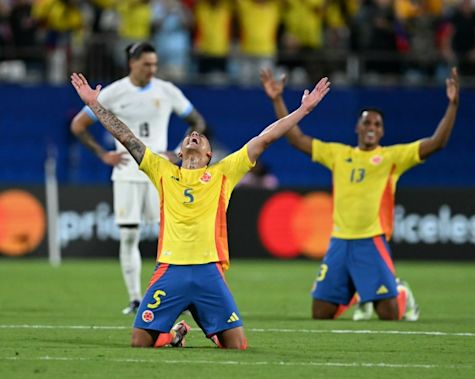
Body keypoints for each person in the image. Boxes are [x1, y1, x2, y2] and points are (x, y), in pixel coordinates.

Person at [70, 72, 330, 348]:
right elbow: (125, 136)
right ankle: (174, 333)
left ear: (209, 154)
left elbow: (265, 138)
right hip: (170, 269)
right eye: (190, 136)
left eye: (201, 137)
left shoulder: (224, 173)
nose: (194, 135)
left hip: (209, 272)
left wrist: (303, 110)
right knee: (139, 342)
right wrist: (95, 105)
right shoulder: (161, 170)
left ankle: (209, 325)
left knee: (237, 347)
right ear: (180, 152)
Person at [260, 67, 459, 321]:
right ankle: (358, 292)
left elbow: (436, 142)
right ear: (357, 127)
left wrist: (452, 106)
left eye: (377, 124)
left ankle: (401, 292)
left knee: (388, 315)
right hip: (339, 241)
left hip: (370, 240)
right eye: (366, 122)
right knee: (320, 314)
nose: (371, 127)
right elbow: (296, 139)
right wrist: (277, 99)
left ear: (383, 131)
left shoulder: (392, 158)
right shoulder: (339, 154)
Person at [70, 42, 206, 315]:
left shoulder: (166, 91)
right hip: (127, 173)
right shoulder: (114, 92)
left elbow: (197, 121)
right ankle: (135, 298)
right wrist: (102, 154)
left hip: (161, 175)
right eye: (147, 64)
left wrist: (178, 151)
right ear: (132, 63)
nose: (152, 69)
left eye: (155, 64)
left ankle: (173, 295)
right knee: (129, 236)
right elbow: (78, 125)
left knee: (169, 236)